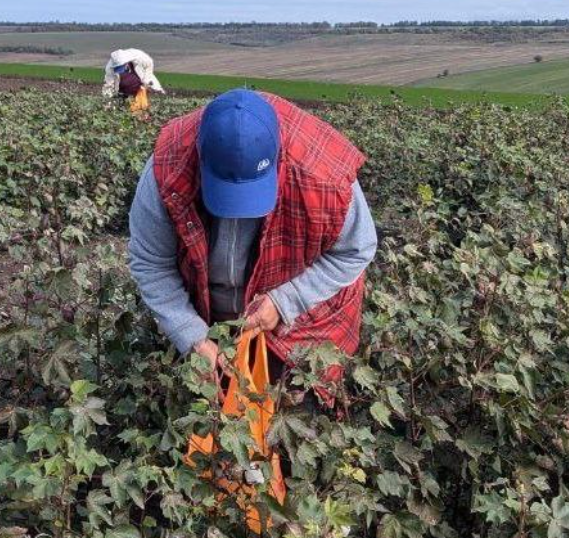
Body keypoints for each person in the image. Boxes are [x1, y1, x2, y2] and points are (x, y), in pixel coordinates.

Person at [128, 88, 377, 408]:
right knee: (211, 416)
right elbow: (151, 262)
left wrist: (286, 301)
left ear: (279, 159)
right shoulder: (168, 166)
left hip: (304, 318)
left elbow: (357, 248)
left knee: (292, 415)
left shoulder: (323, 172)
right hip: (205, 312)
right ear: (200, 158)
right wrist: (192, 336)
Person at [102, 48, 166, 115]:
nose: (119, 69)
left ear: (125, 63)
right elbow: (108, 86)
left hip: (142, 87)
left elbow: (149, 64)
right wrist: (108, 103)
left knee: (147, 108)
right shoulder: (110, 68)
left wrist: (146, 81)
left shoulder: (137, 56)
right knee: (128, 111)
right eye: (117, 68)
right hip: (125, 93)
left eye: (120, 67)